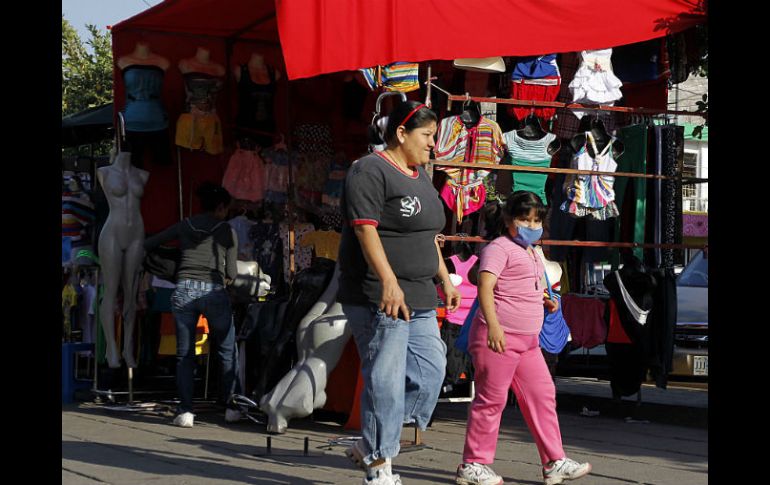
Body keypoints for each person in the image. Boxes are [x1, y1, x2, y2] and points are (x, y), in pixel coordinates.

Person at [338, 100, 462, 485]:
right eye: (426, 136)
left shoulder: (420, 174)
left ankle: (374, 439)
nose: (432, 144)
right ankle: (378, 464)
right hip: (380, 295)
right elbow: (365, 229)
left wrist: (444, 276)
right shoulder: (369, 171)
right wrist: (389, 281)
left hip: (421, 294)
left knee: (431, 371)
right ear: (401, 133)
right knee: (386, 381)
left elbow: (428, 235)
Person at [455, 191, 592, 485]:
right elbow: (485, 287)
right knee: (491, 401)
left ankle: (555, 461)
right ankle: (473, 464)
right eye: (524, 219)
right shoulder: (499, 248)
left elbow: (523, 286)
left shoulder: (530, 251)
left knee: (542, 396)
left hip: (528, 342)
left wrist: (546, 300)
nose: (531, 225)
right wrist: (493, 327)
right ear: (507, 220)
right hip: (499, 339)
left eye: (536, 220)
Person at [143, 183, 242, 428]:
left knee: (184, 355)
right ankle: (232, 407)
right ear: (220, 207)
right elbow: (232, 272)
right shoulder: (227, 230)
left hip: (184, 290)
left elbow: (150, 243)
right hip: (214, 290)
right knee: (227, 350)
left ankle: (186, 412)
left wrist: (173, 263)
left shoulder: (184, 225)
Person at [97, 147, 149, 369]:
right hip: (112, 232)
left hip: (137, 232)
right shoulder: (104, 172)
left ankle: (128, 347)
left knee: (131, 292)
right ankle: (111, 347)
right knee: (111, 289)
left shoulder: (142, 174)